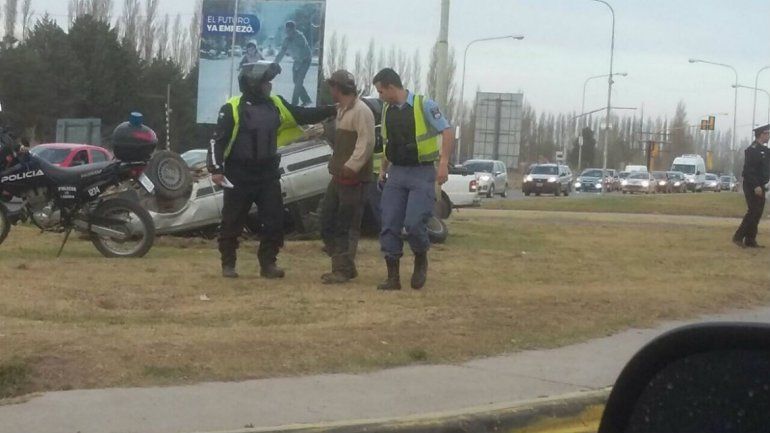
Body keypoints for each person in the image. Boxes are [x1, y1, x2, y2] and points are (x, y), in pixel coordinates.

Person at [207, 61, 335, 279]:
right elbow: (216, 141)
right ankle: (228, 264)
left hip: (267, 173)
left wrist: (334, 109)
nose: (269, 86)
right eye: (266, 82)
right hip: (239, 173)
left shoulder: (275, 103)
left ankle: (268, 263)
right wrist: (216, 168)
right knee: (232, 221)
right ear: (253, 83)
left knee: (275, 220)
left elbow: (302, 114)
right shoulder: (232, 108)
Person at [372, 68, 453, 291]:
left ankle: (420, 258)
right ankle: (393, 278)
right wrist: (383, 169)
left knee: (415, 222)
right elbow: (388, 143)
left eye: (381, 91)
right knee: (389, 223)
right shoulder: (387, 110)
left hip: (421, 172)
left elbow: (447, 131)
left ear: (391, 87)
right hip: (396, 172)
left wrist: (444, 163)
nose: (380, 96)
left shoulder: (423, 104)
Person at [319, 70, 375, 284]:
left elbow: (366, 143)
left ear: (338, 88)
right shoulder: (342, 110)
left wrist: (352, 166)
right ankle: (344, 265)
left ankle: (342, 269)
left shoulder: (361, 111)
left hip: (353, 179)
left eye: (331, 87)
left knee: (346, 225)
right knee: (327, 221)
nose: (329, 91)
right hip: (339, 176)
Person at [733, 123, 770, 248]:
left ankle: (750, 239)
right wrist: (755, 186)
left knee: (758, 212)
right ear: (761, 135)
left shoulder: (765, 151)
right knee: (753, 211)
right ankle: (738, 237)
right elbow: (749, 170)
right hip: (751, 185)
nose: (769, 136)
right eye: (767, 134)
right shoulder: (752, 150)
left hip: (761, 185)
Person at [274, 21, 312, 106]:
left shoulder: (300, 37)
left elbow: (302, 52)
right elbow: (282, 52)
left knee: (299, 81)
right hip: (297, 61)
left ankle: (294, 104)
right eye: (286, 31)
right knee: (295, 81)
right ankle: (306, 99)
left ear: (294, 29)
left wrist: (299, 64)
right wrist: (275, 63)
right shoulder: (286, 40)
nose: (288, 33)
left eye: (289, 31)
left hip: (305, 60)